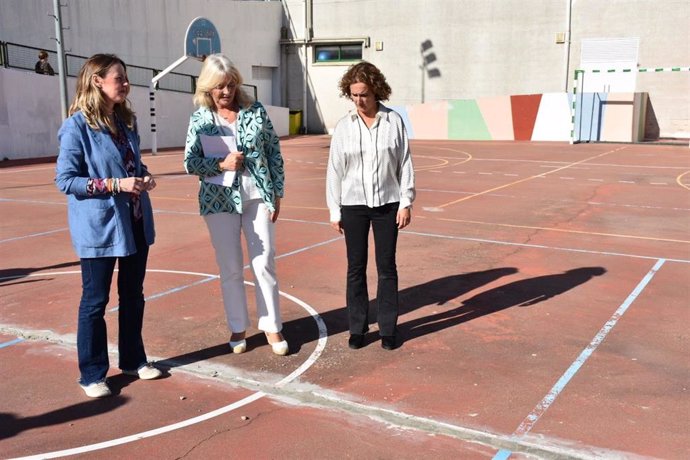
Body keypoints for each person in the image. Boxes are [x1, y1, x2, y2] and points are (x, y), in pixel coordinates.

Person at [55, 54, 162, 398]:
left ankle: (133, 359)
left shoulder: (125, 122)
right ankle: (92, 373)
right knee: (95, 301)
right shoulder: (77, 127)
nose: (126, 84)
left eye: (126, 78)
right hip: (100, 227)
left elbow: (132, 164)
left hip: (133, 221)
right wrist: (116, 185)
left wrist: (143, 176)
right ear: (97, 81)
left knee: (133, 295)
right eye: (120, 78)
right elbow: (66, 180)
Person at [183, 54, 288, 356]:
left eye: (230, 85)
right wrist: (221, 164)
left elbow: (274, 154)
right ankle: (238, 327)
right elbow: (190, 163)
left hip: (257, 195)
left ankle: (272, 326)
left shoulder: (255, 112)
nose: (226, 92)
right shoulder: (200, 118)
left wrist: (276, 193)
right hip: (219, 200)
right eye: (219, 87)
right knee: (230, 267)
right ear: (207, 88)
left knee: (264, 261)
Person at [326, 61, 416, 351]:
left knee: (387, 267)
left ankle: (388, 328)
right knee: (356, 267)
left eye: (363, 94)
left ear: (376, 90)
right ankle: (357, 327)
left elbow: (405, 164)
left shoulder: (394, 122)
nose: (359, 101)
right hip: (353, 206)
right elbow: (335, 170)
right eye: (354, 95)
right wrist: (334, 210)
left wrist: (406, 202)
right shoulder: (344, 127)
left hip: (388, 204)